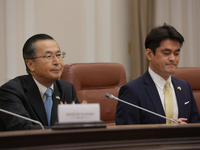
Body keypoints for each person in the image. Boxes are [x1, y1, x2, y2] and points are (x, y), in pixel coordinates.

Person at [115, 24, 200, 125]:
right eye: (166, 53)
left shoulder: (185, 87)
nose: (173, 58)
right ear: (149, 54)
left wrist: (187, 130)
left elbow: (196, 125)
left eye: (176, 53)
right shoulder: (132, 91)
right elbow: (126, 135)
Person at [0, 34, 79, 131]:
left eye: (58, 55)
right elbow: (24, 129)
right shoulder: (11, 91)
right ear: (30, 64)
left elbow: (81, 123)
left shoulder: (66, 89)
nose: (57, 62)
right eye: (48, 56)